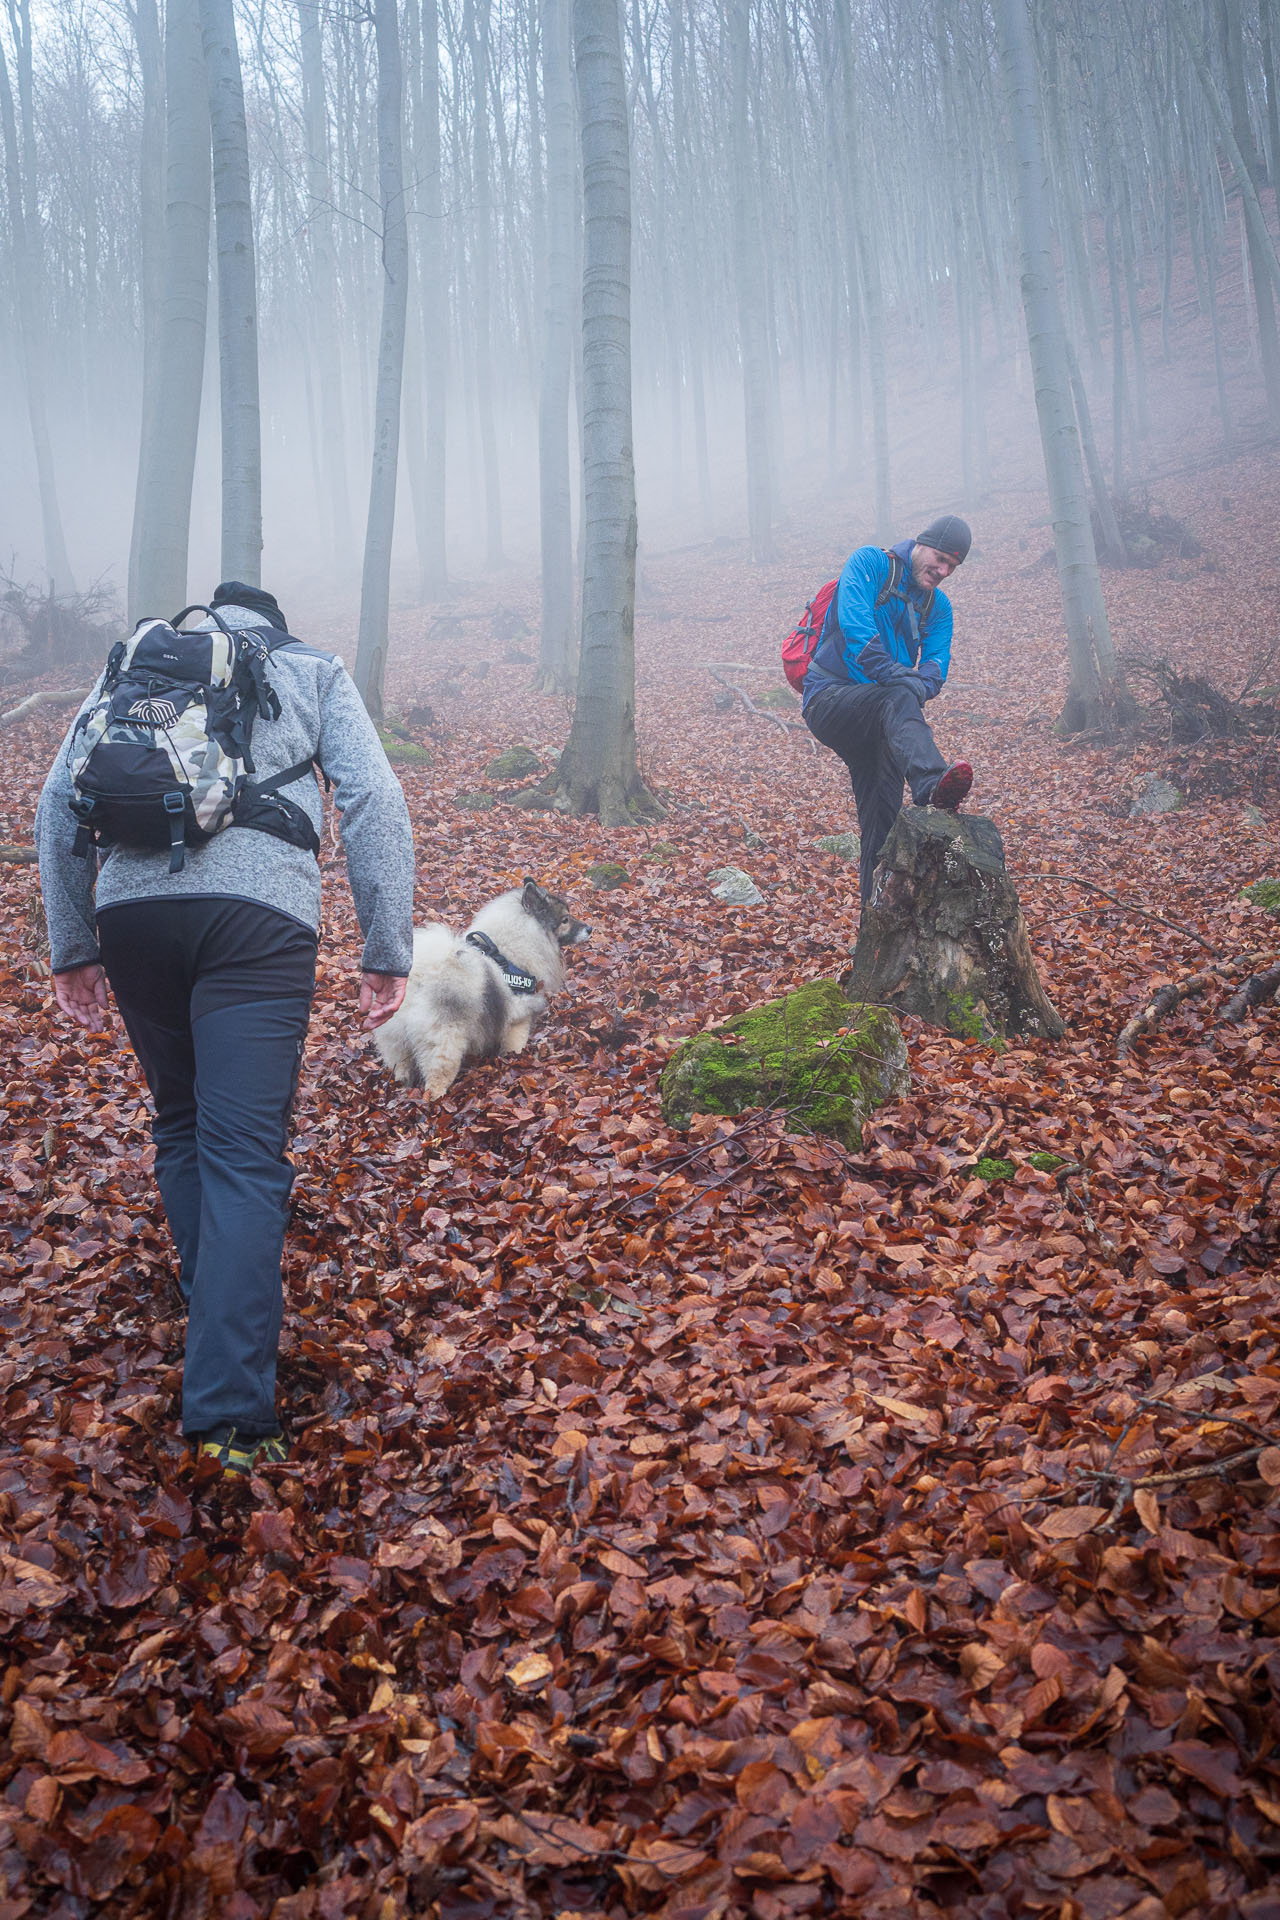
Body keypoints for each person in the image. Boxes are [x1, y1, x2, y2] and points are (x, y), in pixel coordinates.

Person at [35, 582, 416, 1476]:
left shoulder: (136, 668)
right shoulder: (311, 669)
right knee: (243, 1151)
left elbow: (60, 802)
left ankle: (219, 1311)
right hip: (258, 920)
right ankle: (232, 1419)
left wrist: (72, 942)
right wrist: (385, 945)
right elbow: (373, 799)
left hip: (132, 913)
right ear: (274, 627)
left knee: (181, 1122)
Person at [802, 515, 973, 908]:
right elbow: (856, 627)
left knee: (881, 830)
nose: (943, 570)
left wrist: (918, 684)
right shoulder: (870, 564)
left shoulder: (938, 606)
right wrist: (899, 678)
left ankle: (872, 935)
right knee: (897, 697)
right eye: (940, 558)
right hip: (829, 698)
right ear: (921, 543)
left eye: (953, 566)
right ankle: (932, 785)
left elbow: (936, 665)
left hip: (885, 723)